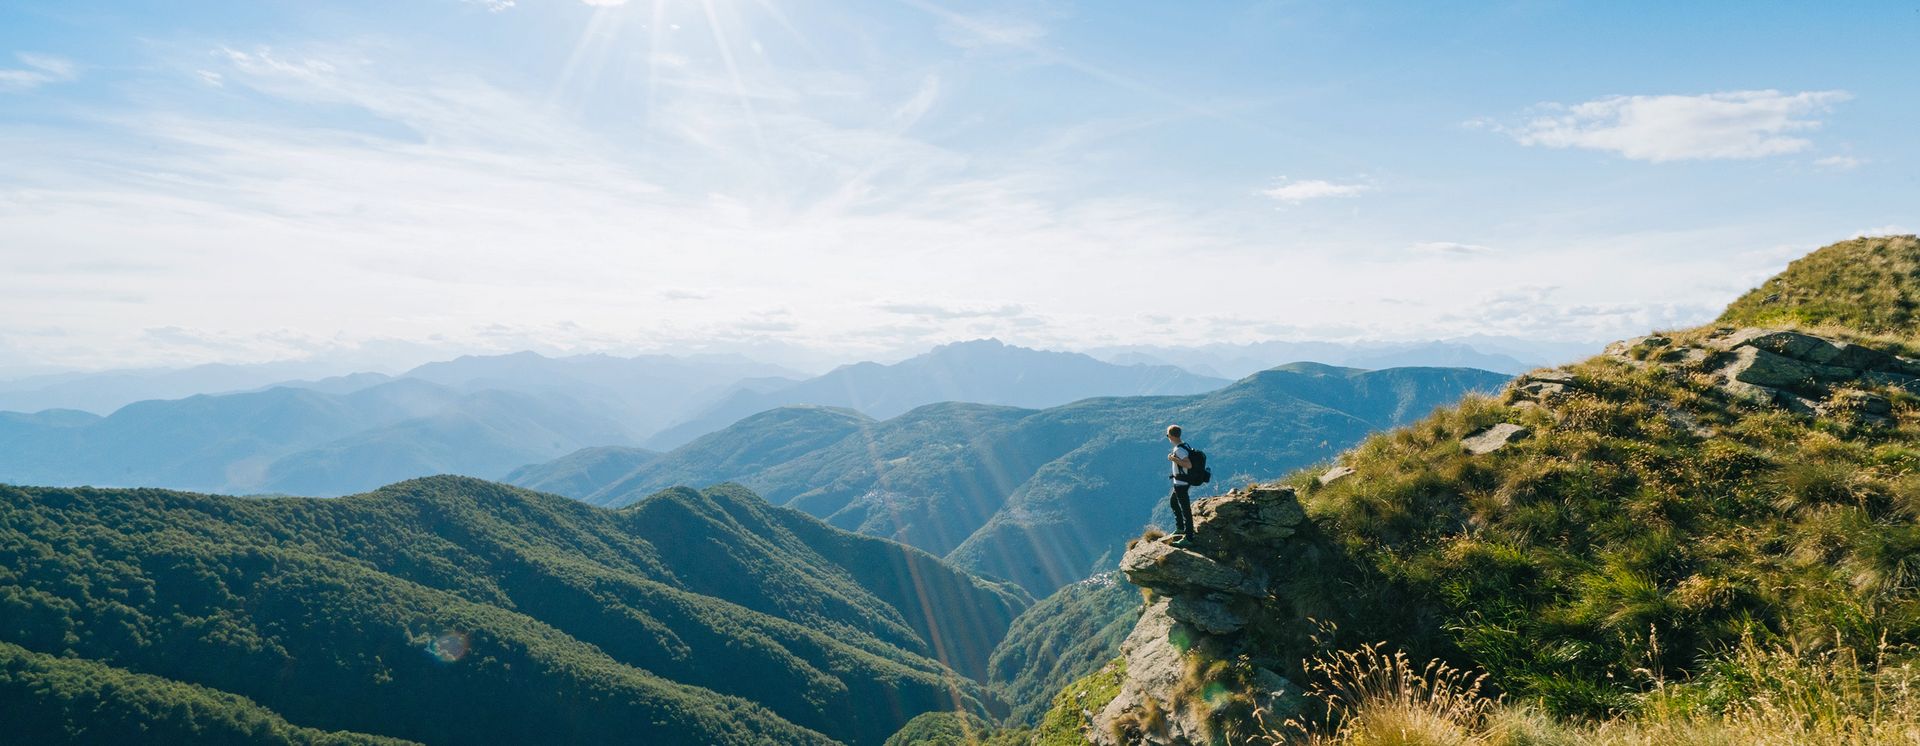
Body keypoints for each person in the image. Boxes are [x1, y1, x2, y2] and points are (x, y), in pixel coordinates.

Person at [1164, 424, 1196, 547]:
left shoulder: (1179, 450)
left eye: (1167, 435)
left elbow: (1188, 465)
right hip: (1182, 482)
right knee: (1173, 502)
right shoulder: (1184, 445)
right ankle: (1180, 528)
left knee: (1185, 509)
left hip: (1181, 483)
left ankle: (1188, 537)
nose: (1167, 437)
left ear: (1171, 436)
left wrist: (1174, 459)